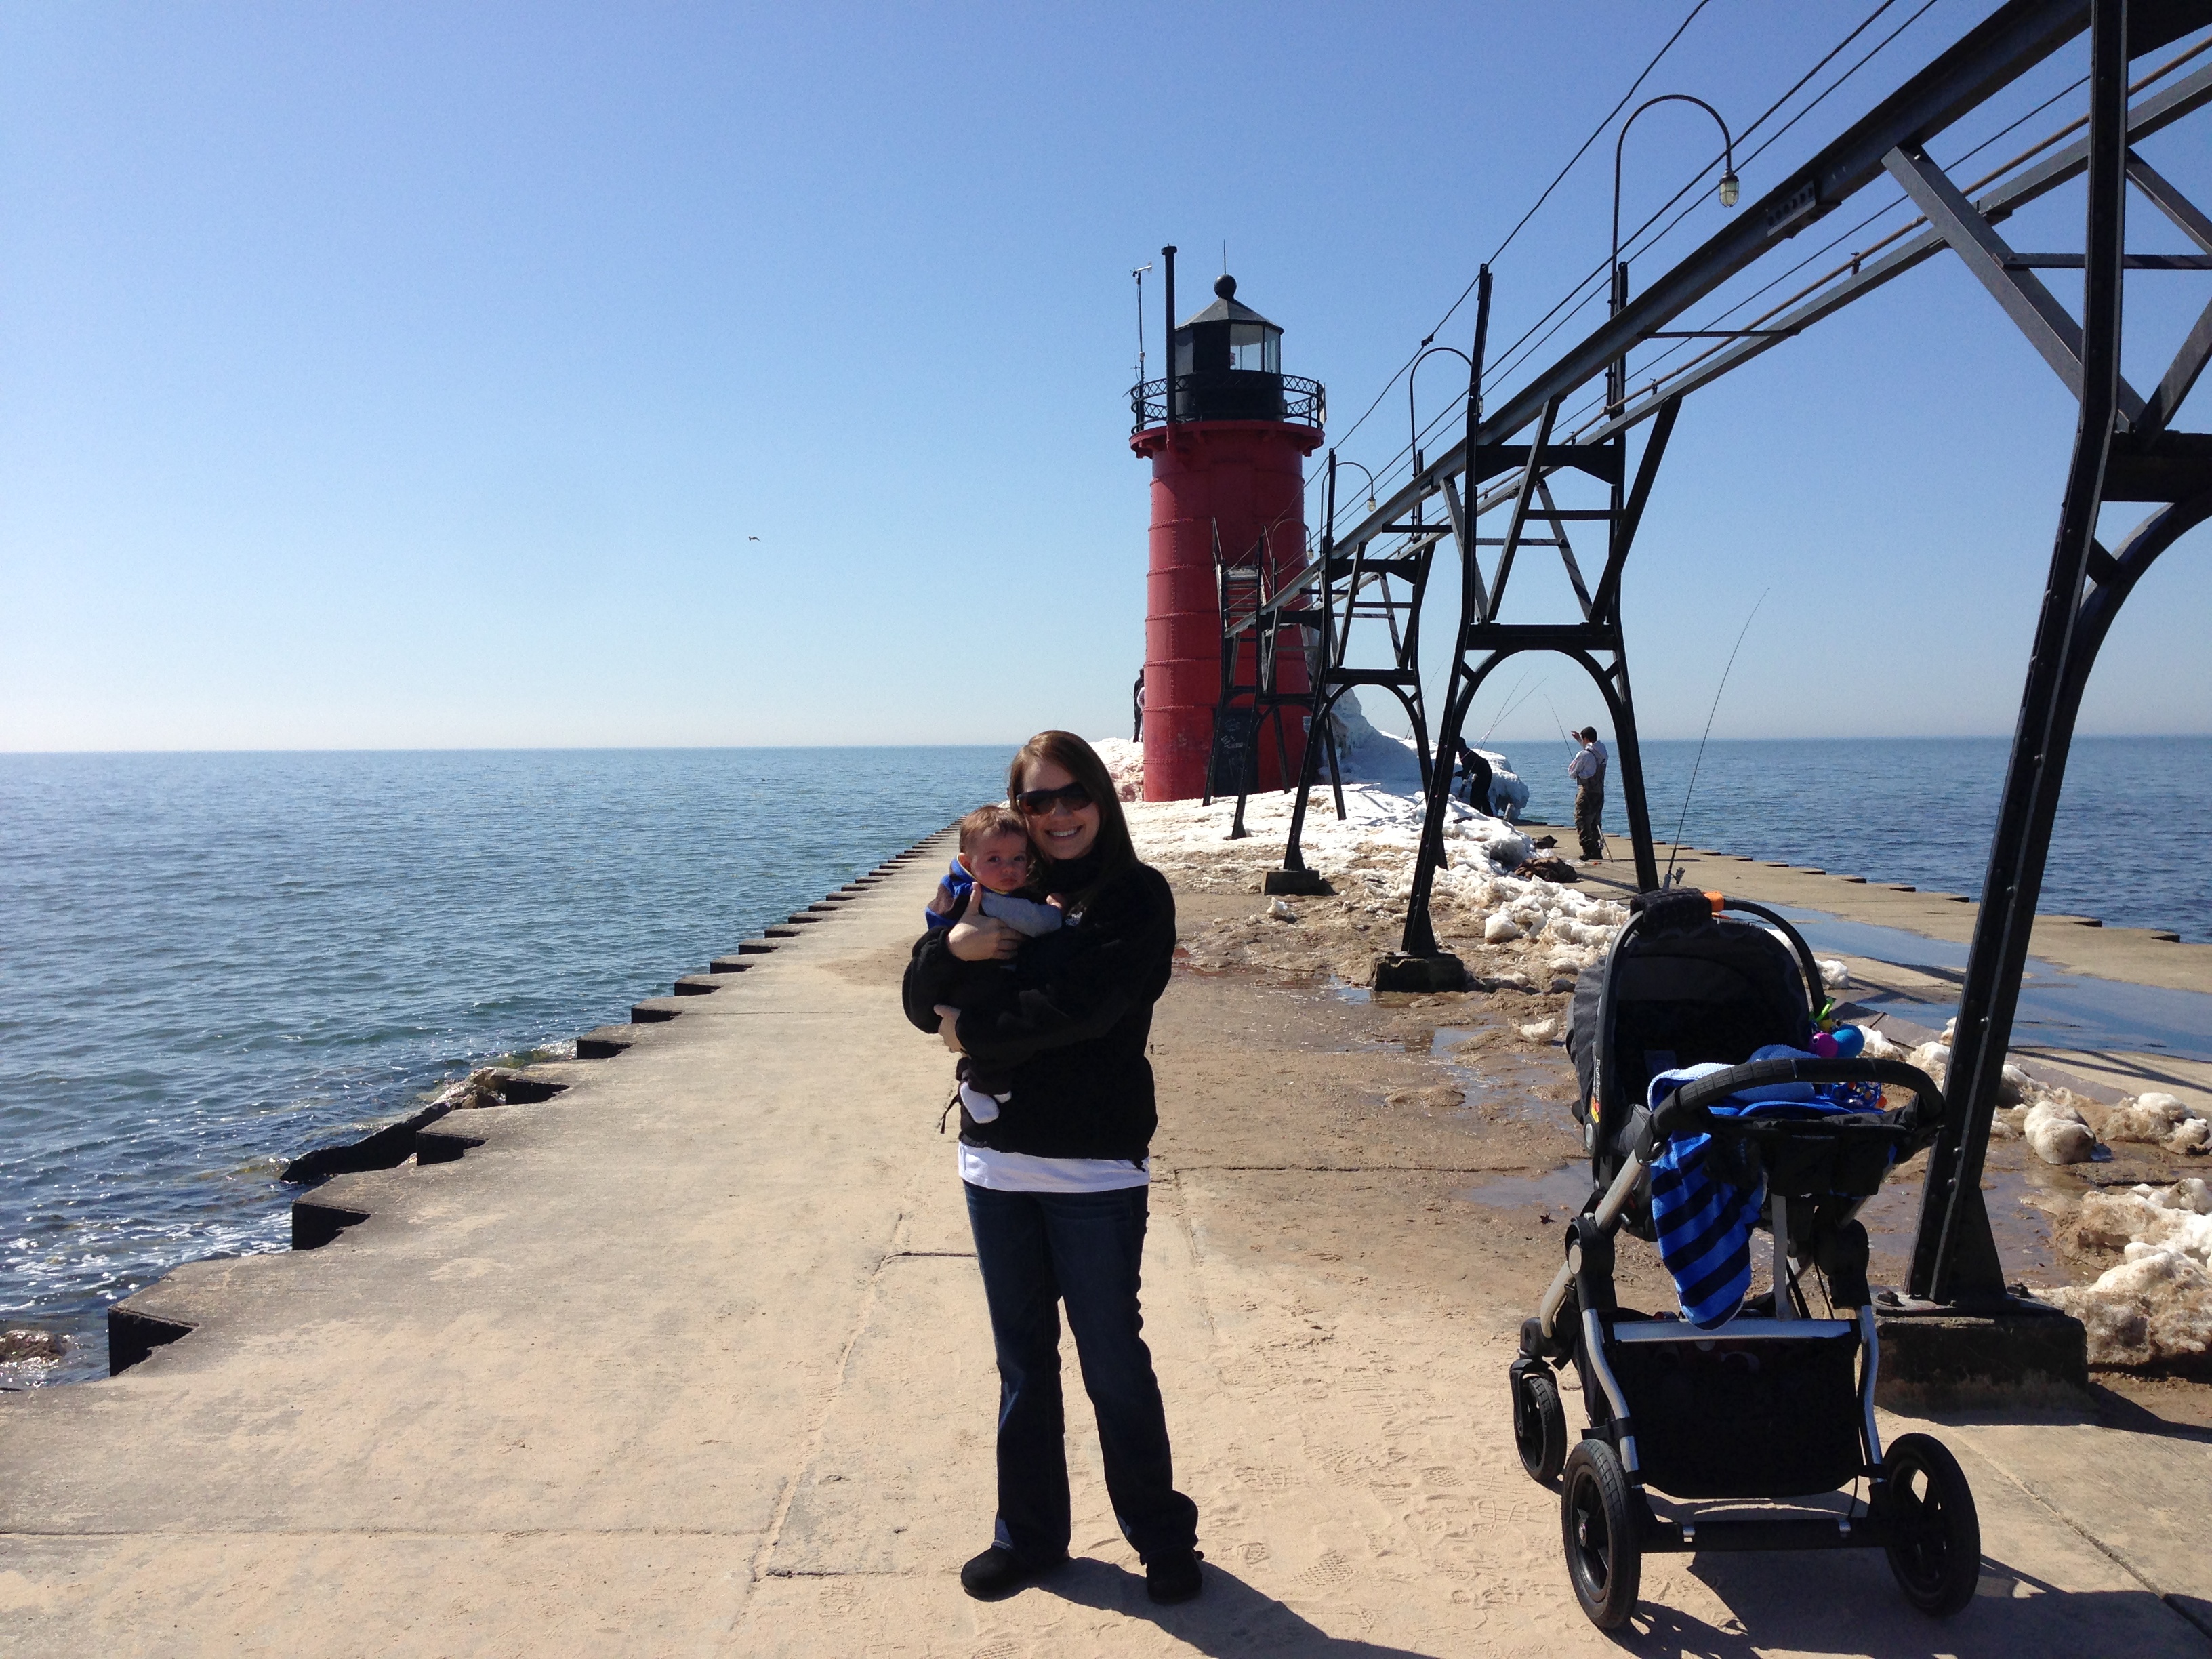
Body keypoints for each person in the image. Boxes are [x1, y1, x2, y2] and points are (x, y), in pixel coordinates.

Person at [902, 731, 1202, 1606]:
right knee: (1025, 1366)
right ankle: (1028, 1538)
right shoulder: (995, 886)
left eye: (1075, 795)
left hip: (1095, 1169)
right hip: (996, 1166)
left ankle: (1161, 1537)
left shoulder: (1135, 897)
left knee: (1112, 1362)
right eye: (1039, 800)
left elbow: (1086, 1012)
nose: (1060, 813)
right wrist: (949, 953)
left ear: (1102, 799)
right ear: (1019, 812)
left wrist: (971, 1031)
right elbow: (919, 1002)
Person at [923, 805, 1064, 1124]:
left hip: (966, 979)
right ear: (967, 863)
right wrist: (1056, 909)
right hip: (974, 982)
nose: (1009, 868)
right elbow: (1036, 922)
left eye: (1019, 858)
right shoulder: (982, 895)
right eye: (994, 860)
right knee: (999, 1025)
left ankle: (985, 1080)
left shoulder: (964, 885)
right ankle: (977, 1085)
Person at [1568, 726, 1609, 860]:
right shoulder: (1603, 751)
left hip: (1586, 792)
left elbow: (1572, 773)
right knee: (1595, 822)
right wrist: (1579, 740)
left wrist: (1579, 772)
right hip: (1599, 793)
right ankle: (1597, 850)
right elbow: (1592, 750)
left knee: (1582, 821)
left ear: (1586, 738)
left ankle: (1588, 850)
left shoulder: (1583, 755)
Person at [1456, 741, 1494, 815]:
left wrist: (1456, 774)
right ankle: (1488, 814)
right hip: (1486, 771)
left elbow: (1467, 769)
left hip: (1483, 773)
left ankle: (1477, 814)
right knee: (1481, 794)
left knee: (1475, 795)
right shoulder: (1466, 751)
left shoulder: (1463, 752)